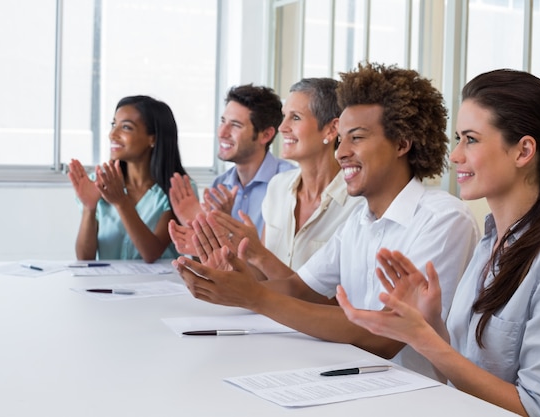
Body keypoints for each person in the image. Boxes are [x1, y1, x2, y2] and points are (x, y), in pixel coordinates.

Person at [172, 63, 480, 380]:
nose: (341, 153)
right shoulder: (359, 220)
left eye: (356, 138)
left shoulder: (443, 219)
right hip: (352, 379)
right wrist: (234, 284)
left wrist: (255, 296)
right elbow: (299, 287)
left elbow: (385, 336)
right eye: (341, 139)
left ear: (402, 144)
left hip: (414, 395)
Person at [335, 69, 540, 416]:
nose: (454, 156)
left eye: (471, 139)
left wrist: (424, 339)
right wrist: (429, 325)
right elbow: (460, 379)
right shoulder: (491, 244)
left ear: (523, 150)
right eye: (457, 138)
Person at [169, 77, 363, 273]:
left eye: (295, 117)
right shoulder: (278, 186)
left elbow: (327, 294)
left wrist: (254, 253)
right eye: (284, 116)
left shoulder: (358, 202)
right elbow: (261, 277)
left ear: (331, 129)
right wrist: (220, 254)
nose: (282, 127)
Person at [68, 95, 194, 262]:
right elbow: (84, 258)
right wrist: (89, 208)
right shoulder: (98, 183)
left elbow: (151, 253)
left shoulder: (179, 188)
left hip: (159, 286)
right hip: (109, 285)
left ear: (153, 138)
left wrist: (121, 202)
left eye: (126, 127)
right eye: (114, 125)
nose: (113, 134)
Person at [168, 84, 295, 237]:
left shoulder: (290, 184)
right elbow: (210, 260)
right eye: (223, 121)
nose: (222, 132)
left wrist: (226, 226)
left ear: (266, 135)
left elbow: (274, 257)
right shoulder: (219, 186)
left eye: (235, 125)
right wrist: (198, 231)